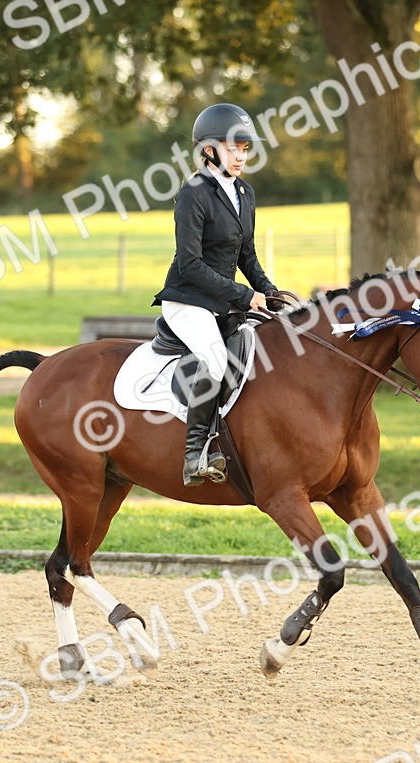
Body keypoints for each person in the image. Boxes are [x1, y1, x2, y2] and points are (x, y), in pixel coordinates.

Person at [153, 103, 279, 487]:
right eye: (234, 147)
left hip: (223, 301)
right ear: (208, 150)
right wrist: (244, 295)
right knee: (212, 357)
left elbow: (247, 254)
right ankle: (194, 453)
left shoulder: (244, 192)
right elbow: (190, 265)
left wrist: (268, 291)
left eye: (245, 148)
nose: (241, 155)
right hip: (187, 300)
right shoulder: (193, 194)